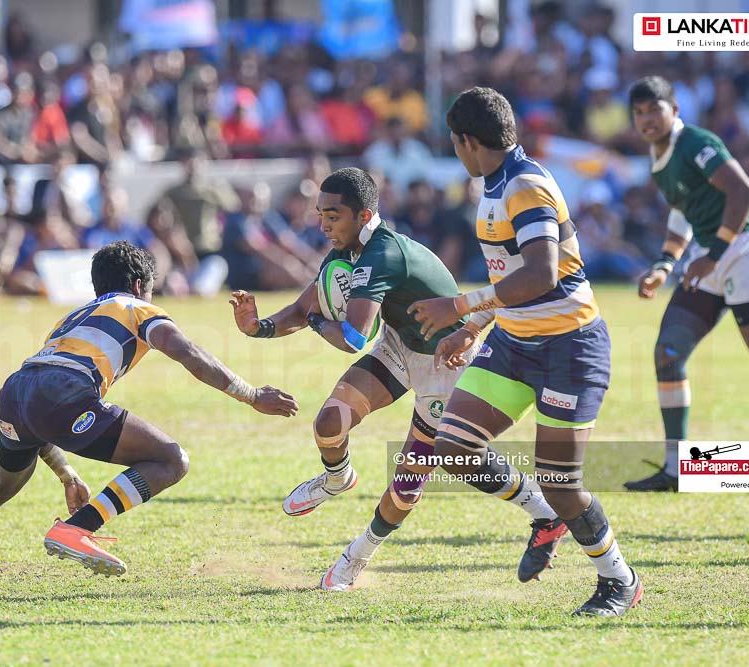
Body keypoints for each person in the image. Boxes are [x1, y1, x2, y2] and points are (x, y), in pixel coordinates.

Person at [230, 167, 564, 592]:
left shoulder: (381, 254)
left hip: (445, 364)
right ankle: (337, 477)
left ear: (364, 215)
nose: (324, 225)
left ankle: (359, 555)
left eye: (333, 216)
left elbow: (352, 338)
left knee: (413, 481)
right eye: (320, 215)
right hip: (401, 344)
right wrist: (257, 328)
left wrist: (315, 322)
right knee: (329, 423)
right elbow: (301, 308)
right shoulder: (346, 251)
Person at [0, 242, 298, 596]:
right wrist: (251, 395)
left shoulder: (72, 318)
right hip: (63, 389)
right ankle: (79, 528)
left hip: (16, 390)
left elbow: (39, 410)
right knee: (171, 459)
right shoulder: (139, 308)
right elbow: (188, 352)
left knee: (1, 485)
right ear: (140, 284)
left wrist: (67, 475)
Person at [409, 87, 642, 616]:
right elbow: (509, 273)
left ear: (468, 141)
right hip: (514, 343)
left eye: (455, 144)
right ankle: (545, 515)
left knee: (563, 482)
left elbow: (540, 275)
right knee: (453, 446)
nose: (456, 153)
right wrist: (473, 327)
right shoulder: (496, 182)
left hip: (569, 349)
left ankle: (619, 579)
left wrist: (459, 306)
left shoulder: (525, 185)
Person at [624, 76, 749, 492]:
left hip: (746, 254)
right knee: (668, 353)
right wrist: (664, 264)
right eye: (639, 113)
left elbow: (744, 192)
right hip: (711, 260)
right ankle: (676, 470)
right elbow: (681, 216)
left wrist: (715, 254)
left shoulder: (694, 142)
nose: (647, 119)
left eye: (654, 109)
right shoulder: (658, 155)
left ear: (675, 110)